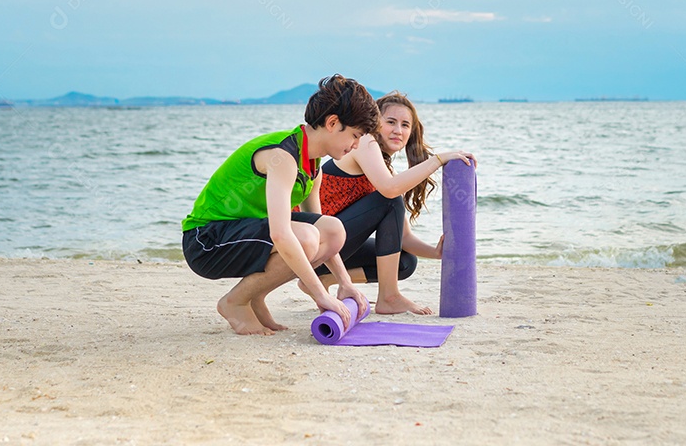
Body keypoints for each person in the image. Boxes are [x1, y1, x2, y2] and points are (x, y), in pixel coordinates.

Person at [182, 75, 377, 336]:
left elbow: (321, 227)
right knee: (305, 238)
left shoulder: (312, 165)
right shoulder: (283, 157)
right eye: (355, 135)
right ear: (332, 123)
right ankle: (234, 302)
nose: (356, 145)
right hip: (206, 241)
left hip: (241, 233)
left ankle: (254, 297)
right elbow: (280, 234)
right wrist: (321, 295)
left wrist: (344, 283)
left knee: (332, 230)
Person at [316, 91, 474, 315]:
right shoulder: (363, 142)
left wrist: (437, 253)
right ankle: (389, 297)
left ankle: (324, 279)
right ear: (374, 123)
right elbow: (390, 190)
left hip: (331, 251)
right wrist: (438, 159)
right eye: (390, 122)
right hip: (311, 243)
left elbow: (403, 238)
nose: (398, 130)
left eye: (405, 125)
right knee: (390, 200)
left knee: (405, 262)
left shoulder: (384, 170)